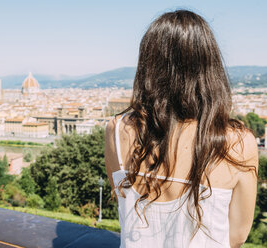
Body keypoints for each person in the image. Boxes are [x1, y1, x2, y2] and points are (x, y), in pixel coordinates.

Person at [105, 10, 258, 248]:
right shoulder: (239, 143)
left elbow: (122, 201)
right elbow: (237, 235)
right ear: (209, 66)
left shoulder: (117, 130)